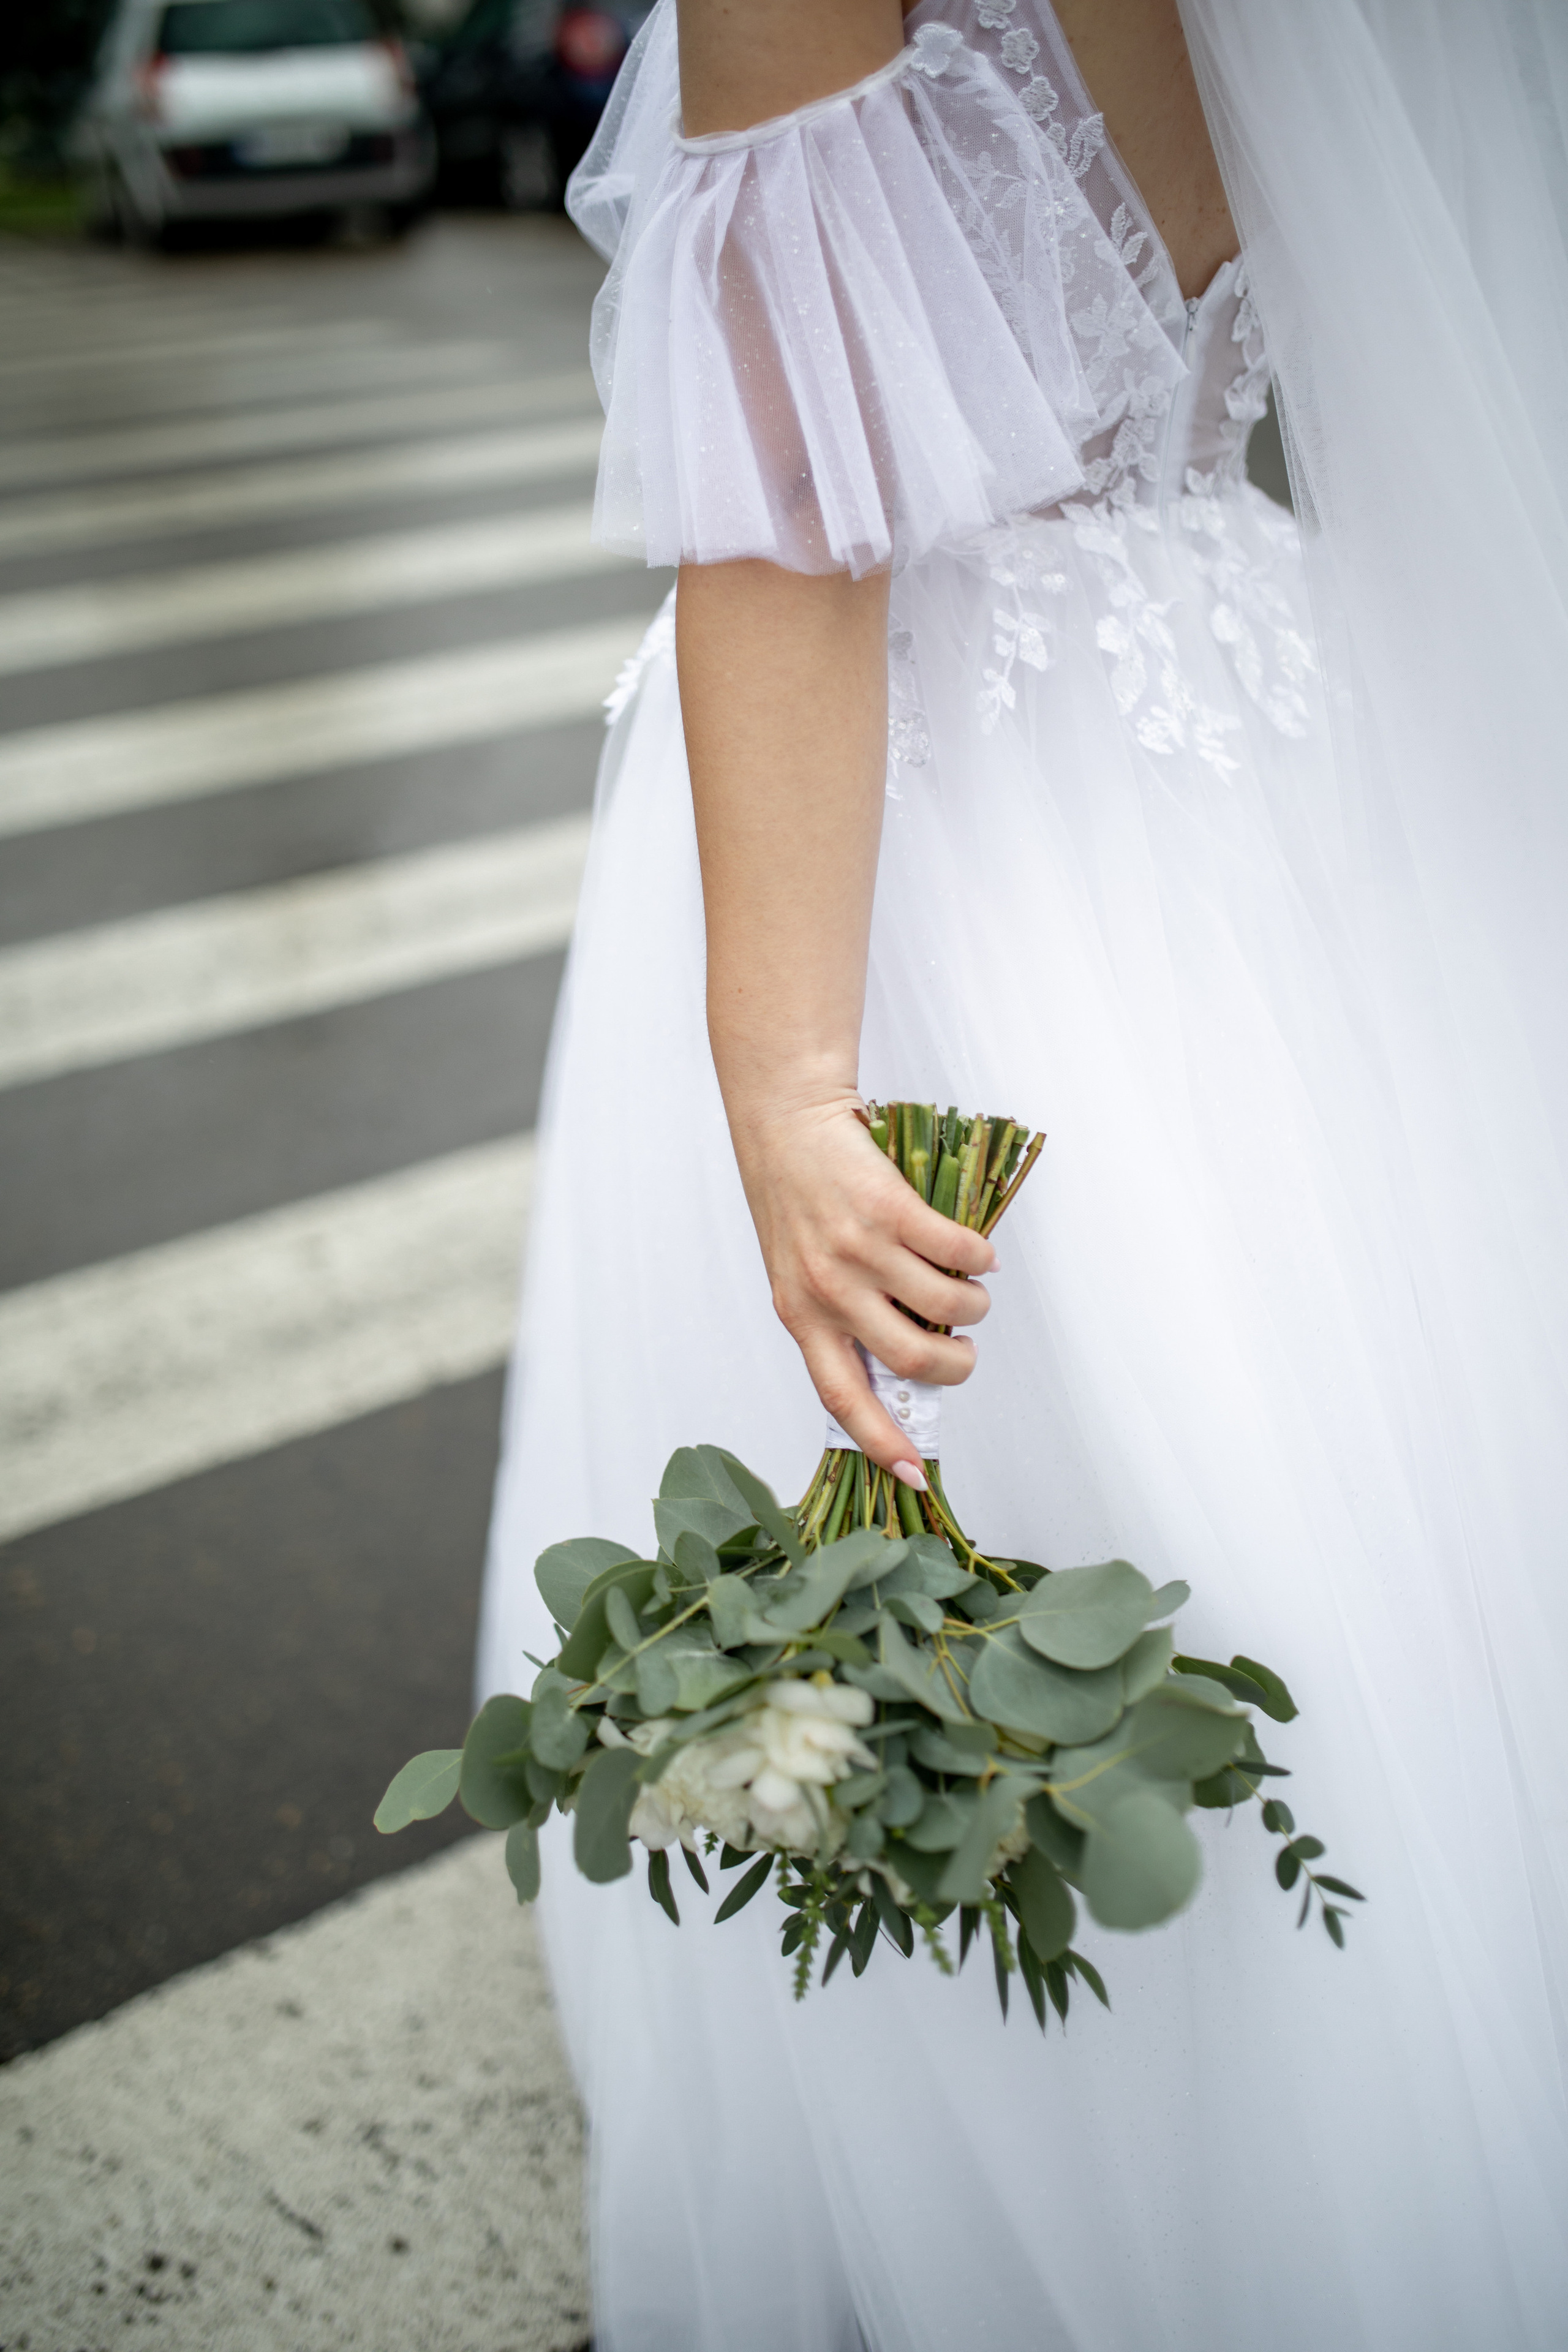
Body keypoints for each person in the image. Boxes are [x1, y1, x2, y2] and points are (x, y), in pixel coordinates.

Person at [478, 2, 1568, 2345]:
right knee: (1309, 1496)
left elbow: (796, 490)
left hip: (939, 827)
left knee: (995, 1525)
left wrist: (784, 1076)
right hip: (1251, 747)